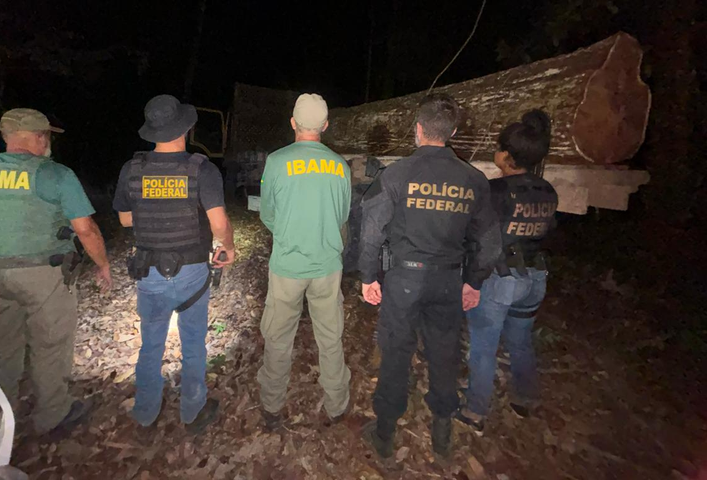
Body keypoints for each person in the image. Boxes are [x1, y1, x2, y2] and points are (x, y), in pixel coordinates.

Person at [358, 95, 501, 458]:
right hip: (448, 282)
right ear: (452, 132)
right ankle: (442, 433)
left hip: (404, 280)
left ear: (418, 129)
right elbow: (489, 242)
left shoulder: (396, 174)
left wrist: (367, 276)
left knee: (396, 352)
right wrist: (474, 281)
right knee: (444, 353)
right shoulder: (473, 179)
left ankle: (385, 433)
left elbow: (371, 230)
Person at [0, 108, 112, 435]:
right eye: (47, 137)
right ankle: (53, 414)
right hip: (45, 275)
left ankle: (0, 422)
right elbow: (85, 229)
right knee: (51, 344)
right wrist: (102, 264)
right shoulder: (55, 175)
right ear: (40, 137)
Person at [113, 94, 235, 432]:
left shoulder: (132, 169)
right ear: (186, 128)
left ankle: (146, 413)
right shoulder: (202, 169)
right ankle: (193, 411)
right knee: (193, 343)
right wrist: (228, 247)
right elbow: (219, 223)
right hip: (192, 271)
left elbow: (125, 219)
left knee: (151, 344)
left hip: (149, 272)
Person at [456, 110, 558, 433]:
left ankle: (475, 411)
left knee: (483, 346)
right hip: (535, 277)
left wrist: (472, 282)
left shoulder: (495, 191)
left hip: (500, 279)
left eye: (498, 147)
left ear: (507, 156)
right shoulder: (548, 191)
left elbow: (482, 241)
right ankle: (525, 398)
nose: (495, 151)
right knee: (521, 340)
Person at [257, 93, 352, 429]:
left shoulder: (276, 162)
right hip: (328, 267)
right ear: (325, 126)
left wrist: (289, 231)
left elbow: (267, 213)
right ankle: (337, 406)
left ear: (293, 123)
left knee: (278, 337)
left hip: (288, 267)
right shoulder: (340, 166)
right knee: (330, 337)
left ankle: (272, 406)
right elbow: (342, 216)